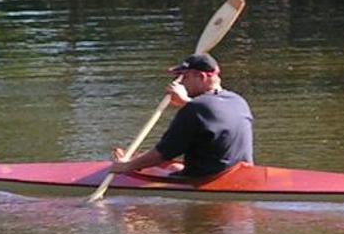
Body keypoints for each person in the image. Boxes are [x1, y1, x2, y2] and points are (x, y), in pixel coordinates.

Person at [100, 52, 253, 180]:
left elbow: (162, 154)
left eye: (183, 77)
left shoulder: (195, 108)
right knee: (171, 166)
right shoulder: (237, 100)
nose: (178, 83)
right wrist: (186, 103)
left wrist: (125, 167)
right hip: (238, 173)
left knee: (146, 170)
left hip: (208, 179)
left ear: (201, 76)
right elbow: (210, 117)